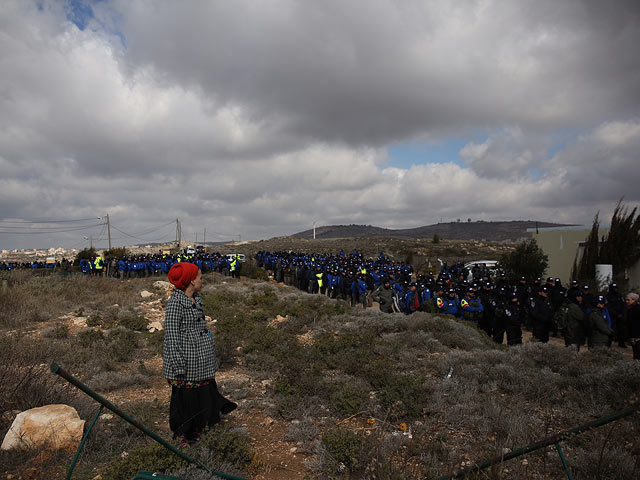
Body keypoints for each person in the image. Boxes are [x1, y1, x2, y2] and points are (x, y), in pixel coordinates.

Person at [162, 262, 236, 447]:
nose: (202, 280)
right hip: (187, 362)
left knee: (203, 392)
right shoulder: (175, 304)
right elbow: (172, 336)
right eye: (200, 277)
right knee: (187, 399)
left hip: (200, 360)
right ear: (190, 281)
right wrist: (178, 365)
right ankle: (187, 433)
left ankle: (206, 423)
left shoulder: (196, 299)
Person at [626, 293, 640, 360]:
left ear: (633, 300)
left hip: (637, 336)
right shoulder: (630, 309)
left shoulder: (636, 309)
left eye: (628, 300)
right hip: (633, 336)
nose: (627, 301)